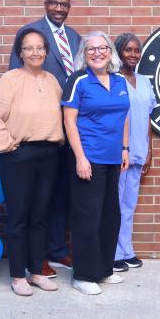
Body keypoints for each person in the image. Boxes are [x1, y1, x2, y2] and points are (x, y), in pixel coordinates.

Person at [9, 0, 81, 277]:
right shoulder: (30, 34)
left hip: (66, 127)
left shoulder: (75, 37)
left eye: (64, 4)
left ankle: (57, 250)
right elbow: (15, 78)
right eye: (54, 3)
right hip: (38, 127)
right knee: (38, 199)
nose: (59, 8)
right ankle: (35, 258)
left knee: (62, 192)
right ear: (45, 4)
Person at [0, 29, 62, 296]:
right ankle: (18, 275)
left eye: (40, 47)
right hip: (18, 155)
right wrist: (8, 147)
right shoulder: (10, 79)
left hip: (49, 154)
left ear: (46, 51)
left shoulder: (52, 80)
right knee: (19, 216)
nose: (35, 52)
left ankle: (36, 271)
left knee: (40, 216)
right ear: (20, 52)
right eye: (29, 48)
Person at [62, 31, 130, 295]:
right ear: (84, 54)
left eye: (102, 48)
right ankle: (83, 274)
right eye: (91, 49)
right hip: (88, 158)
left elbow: (124, 116)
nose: (97, 53)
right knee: (87, 217)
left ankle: (103, 269)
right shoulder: (78, 80)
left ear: (110, 52)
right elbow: (69, 121)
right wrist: (80, 157)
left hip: (114, 158)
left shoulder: (120, 80)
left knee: (110, 215)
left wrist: (124, 148)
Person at [112, 33, 157, 273]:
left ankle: (126, 251)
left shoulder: (145, 81)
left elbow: (148, 117)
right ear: (119, 52)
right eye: (128, 50)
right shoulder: (112, 80)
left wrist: (150, 150)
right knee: (114, 204)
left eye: (136, 50)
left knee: (129, 205)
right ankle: (112, 253)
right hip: (119, 153)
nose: (133, 55)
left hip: (139, 151)